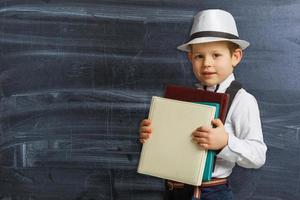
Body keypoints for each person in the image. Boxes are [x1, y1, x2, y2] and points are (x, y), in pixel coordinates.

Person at [139, 9, 267, 200]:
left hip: (212, 192)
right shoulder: (185, 99)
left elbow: (258, 156)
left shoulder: (242, 100)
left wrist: (225, 142)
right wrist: (152, 136)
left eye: (216, 55)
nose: (207, 63)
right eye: (199, 56)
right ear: (190, 58)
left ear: (236, 57)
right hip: (174, 190)